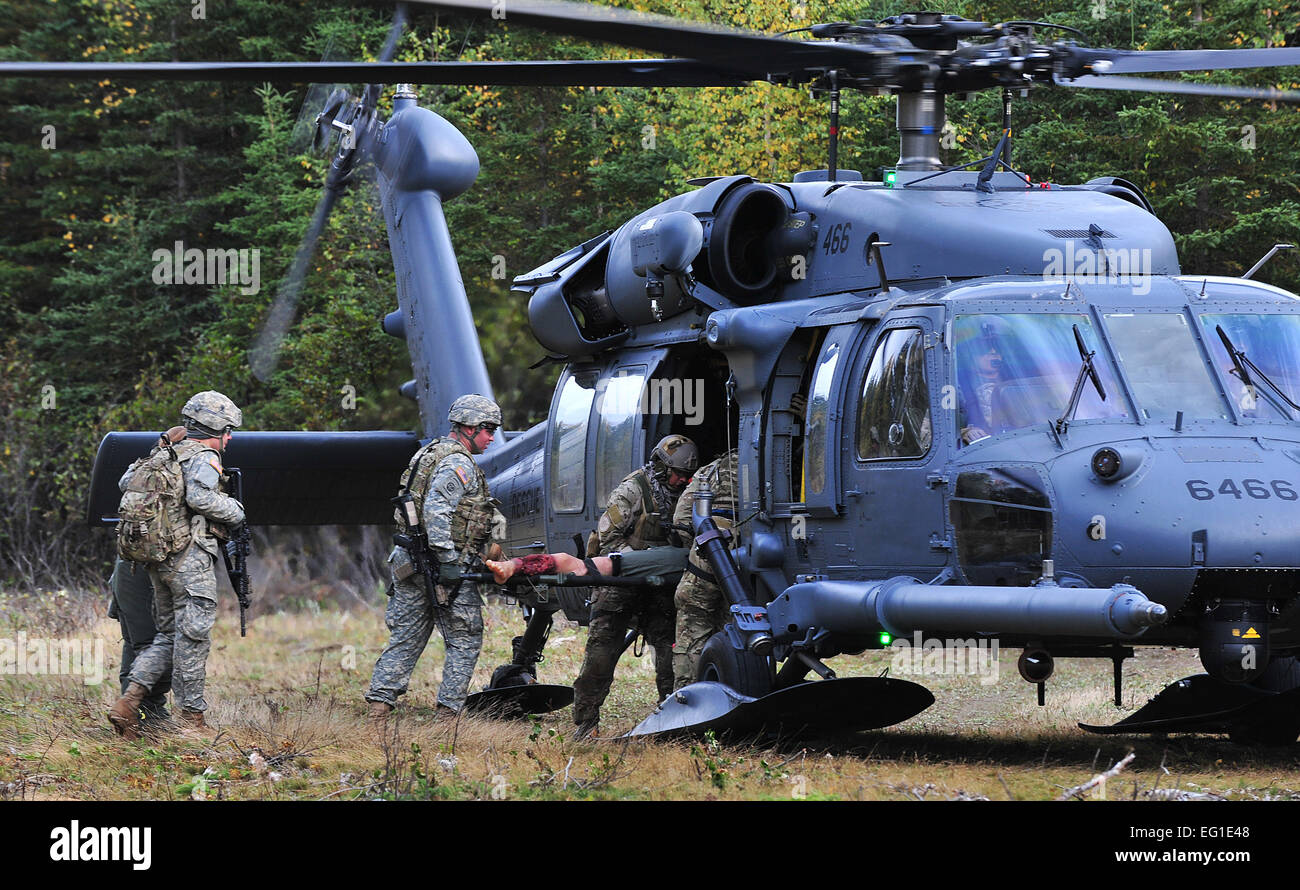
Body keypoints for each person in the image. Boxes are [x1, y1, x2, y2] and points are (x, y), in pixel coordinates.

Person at [108, 393, 246, 738]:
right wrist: (235, 510)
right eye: (227, 431)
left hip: (158, 561)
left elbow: (126, 483)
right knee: (194, 639)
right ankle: (191, 719)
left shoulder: (163, 453)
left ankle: (130, 700)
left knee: (170, 636)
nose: (228, 438)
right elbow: (200, 498)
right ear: (217, 429)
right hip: (189, 561)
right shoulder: (204, 457)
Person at [366, 394, 502, 726]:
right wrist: (448, 560)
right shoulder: (458, 464)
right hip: (438, 564)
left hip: (409, 559)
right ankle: (447, 716)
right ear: (469, 427)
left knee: (407, 636)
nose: (492, 437)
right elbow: (436, 511)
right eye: (487, 429)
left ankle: (378, 710)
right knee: (466, 635)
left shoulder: (427, 454)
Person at [571, 435, 697, 739]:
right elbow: (607, 540)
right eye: (677, 473)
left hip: (659, 586)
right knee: (601, 654)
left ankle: (673, 719)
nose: (681, 480)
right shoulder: (633, 490)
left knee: (671, 653)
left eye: (686, 475)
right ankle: (586, 723)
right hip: (620, 581)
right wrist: (641, 564)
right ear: (660, 466)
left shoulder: (687, 494)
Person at [671, 448, 740, 690]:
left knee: (693, 627)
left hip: (707, 557)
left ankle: (687, 701)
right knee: (735, 629)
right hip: (750, 559)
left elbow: (681, 520)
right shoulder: (784, 460)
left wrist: (696, 549)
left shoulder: (712, 469)